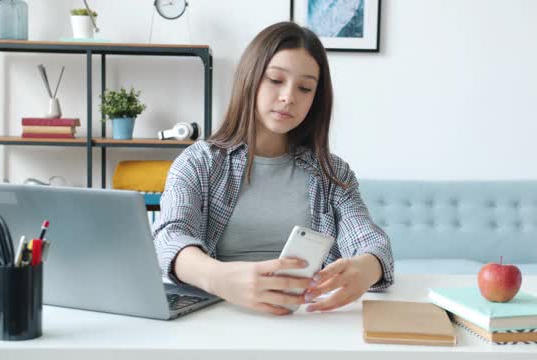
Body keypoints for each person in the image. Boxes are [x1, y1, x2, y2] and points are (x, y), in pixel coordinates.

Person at [153, 21, 393, 316]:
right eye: (275, 80)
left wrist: (367, 267)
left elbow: (372, 242)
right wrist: (222, 279)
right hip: (219, 318)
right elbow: (169, 237)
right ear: (250, 79)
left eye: (305, 88)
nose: (289, 96)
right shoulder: (199, 162)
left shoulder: (332, 173)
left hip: (309, 320)